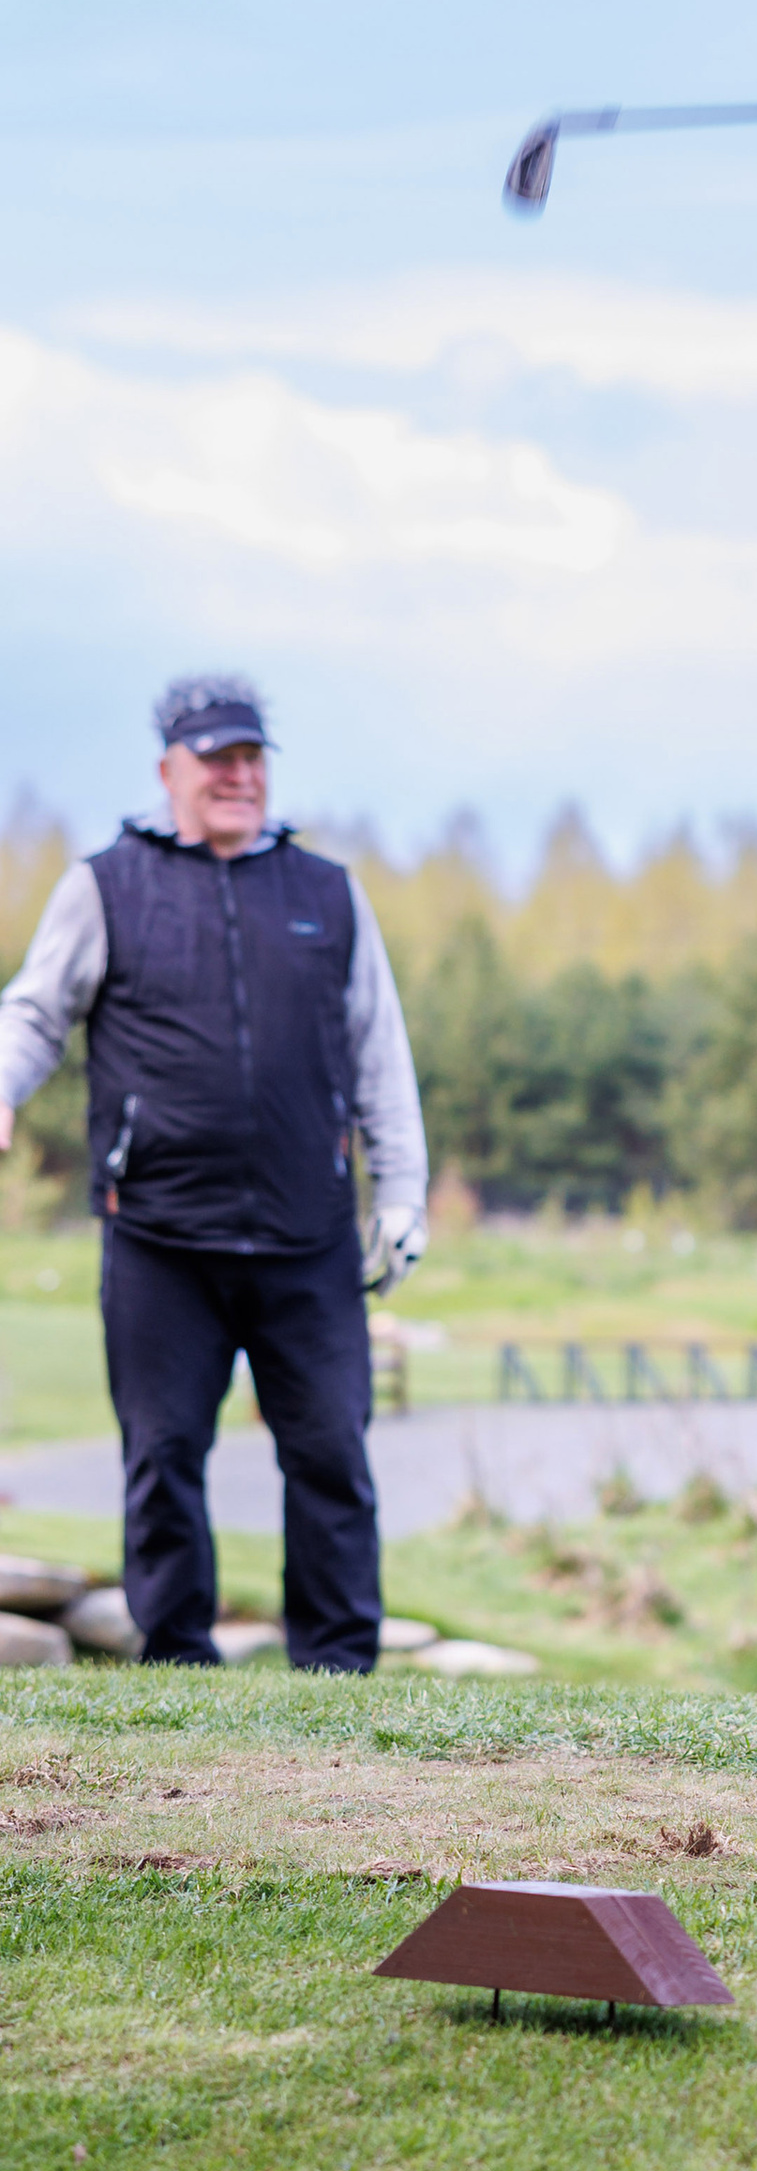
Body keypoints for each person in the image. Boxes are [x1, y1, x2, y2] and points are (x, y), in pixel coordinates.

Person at [0, 677, 428, 1670]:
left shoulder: (328, 894)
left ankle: (337, 1670)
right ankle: (177, 1664)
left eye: (253, 760)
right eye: (218, 761)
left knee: (329, 1453)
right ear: (169, 771)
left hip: (307, 1237)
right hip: (160, 1239)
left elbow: (381, 1058)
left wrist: (402, 1195)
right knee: (162, 1459)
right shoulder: (105, 885)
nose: (239, 778)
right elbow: (33, 1010)